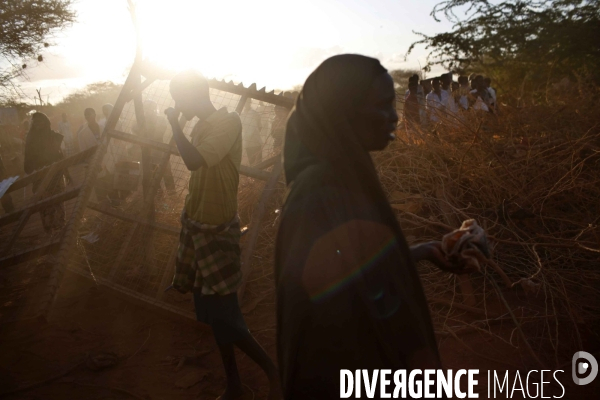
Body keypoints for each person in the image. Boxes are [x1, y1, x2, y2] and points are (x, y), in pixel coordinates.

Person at [275, 54, 463, 399]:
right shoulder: (319, 193)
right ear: (342, 111)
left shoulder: (346, 176)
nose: (395, 116)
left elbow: (348, 266)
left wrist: (420, 253)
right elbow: (327, 319)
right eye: (383, 105)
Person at [164, 70, 279, 400]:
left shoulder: (228, 122)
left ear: (194, 96)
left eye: (179, 98)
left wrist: (175, 123)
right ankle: (234, 385)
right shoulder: (202, 125)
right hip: (199, 225)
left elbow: (194, 161)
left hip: (217, 228)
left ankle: (272, 372)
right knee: (215, 316)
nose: (177, 105)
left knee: (227, 316)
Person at [23, 112, 71, 234]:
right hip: (40, 178)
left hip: (57, 175)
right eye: (36, 122)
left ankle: (60, 232)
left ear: (46, 123)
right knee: (45, 207)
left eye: (41, 121)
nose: (39, 124)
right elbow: (27, 163)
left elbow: (61, 156)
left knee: (59, 204)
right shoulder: (31, 139)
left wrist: (67, 174)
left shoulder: (54, 136)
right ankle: (51, 235)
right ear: (33, 125)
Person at [132, 100, 176, 194]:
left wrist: (145, 132)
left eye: (151, 108)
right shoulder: (141, 120)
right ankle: (160, 198)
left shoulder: (160, 119)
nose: (150, 110)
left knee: (167, 174)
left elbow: (159, 133)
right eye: (148, 108)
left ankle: (172, 196)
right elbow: (134, 129)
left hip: (160, 151)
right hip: (148, 153)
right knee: (153, 176)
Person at [240, 101, 263, 165]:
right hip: (248, 141)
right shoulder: (241, 114)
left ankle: (259, 174)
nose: (246, 104)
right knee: (252, 162)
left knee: (259, 162)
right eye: (245, 102)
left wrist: (254, 134)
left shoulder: (255, 114)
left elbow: (260, 127)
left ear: (250, 102)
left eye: (247, 102)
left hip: (255, 140)